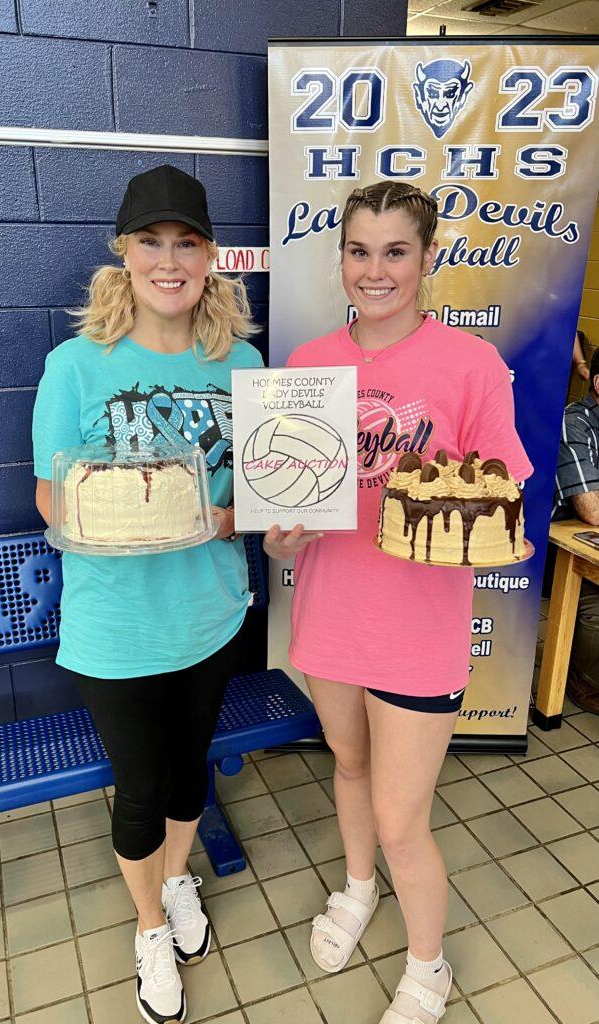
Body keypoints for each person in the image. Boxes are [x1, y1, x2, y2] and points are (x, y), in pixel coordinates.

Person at [264, 182, 532, 1024]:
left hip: (419, 629)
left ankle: (429, 964)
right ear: (340, 257)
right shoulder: (306, 366)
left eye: (394, 252)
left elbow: (503, 491)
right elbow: (288, 497)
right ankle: (356, 887)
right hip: (332, 613)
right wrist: (282, 536)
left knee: (402, 816)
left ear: (427, 258)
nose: (373, 271)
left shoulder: (471, 365)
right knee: (347, 766)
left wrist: (478, 530)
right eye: (358, 250)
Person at [32, 164, 262, 1024]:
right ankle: (147, 927)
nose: (170, 261)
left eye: (188, 243)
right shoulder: (75, 365)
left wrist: (248, 514)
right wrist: (145, 517)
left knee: (187, 773)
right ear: (123, 255)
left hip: (207, 612)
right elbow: (51, 496)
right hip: (115, 623)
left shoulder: (241, 362)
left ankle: (176, 885)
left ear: (210, 258)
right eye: (151, 242)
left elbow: (263, 489)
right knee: (138, 784)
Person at [552, 345, 599, 712]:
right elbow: (591, 510)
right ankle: (584, 679)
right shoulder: (575, 421)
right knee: (594, 612)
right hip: (560, 549)